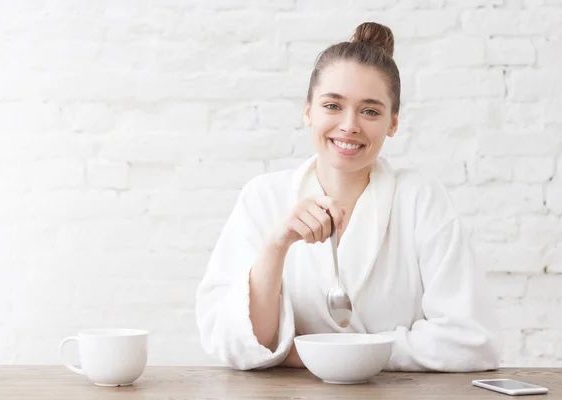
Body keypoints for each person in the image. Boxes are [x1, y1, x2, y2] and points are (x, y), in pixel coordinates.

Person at [195, 21, 501, 372]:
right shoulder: (264, 197)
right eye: (332, 106)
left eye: (370, 111)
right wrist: (277, 244)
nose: (350, 125)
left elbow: (474, 340)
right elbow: (238, 341)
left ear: (393, 123)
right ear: (308, 110)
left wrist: (325, 354)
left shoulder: (420, 199)